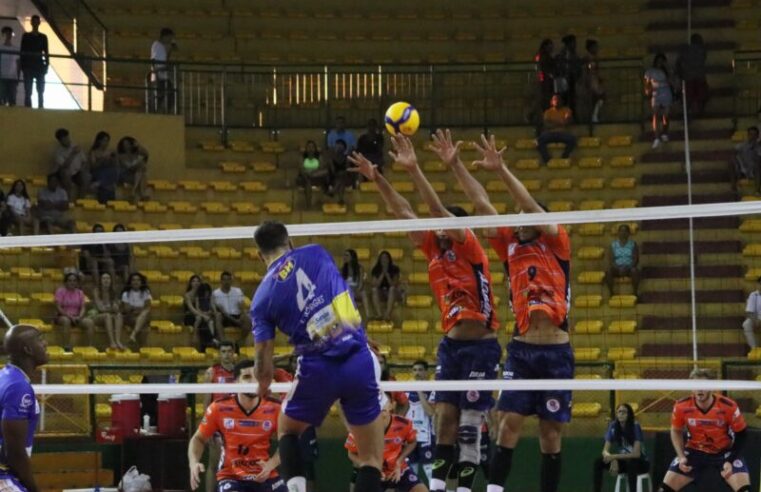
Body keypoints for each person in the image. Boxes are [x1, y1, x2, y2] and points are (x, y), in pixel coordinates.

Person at [349, 135, 501, 492]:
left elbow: (435, 212)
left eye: (445, 224)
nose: (438, 229)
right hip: (451, 346)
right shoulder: (432, 246)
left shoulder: (469, 244)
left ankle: (463, 489)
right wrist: (378, 178)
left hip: (482, 343)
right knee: (444, 421)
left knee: (469, 423)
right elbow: (403, 212)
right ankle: (436, 488)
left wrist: (415, 169)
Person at [431, 130, 573, 492]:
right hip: (523, 348)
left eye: (527, 213)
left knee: (549, 433)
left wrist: (502, 170)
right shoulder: (509, 244)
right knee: (508, 423)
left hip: (556, 350)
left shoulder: (557, 242)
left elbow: (527, 204)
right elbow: (480, 203)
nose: (519, 216)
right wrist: (456, 165)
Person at [250, 220, 385, 492]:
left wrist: (263, 385)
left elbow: (264, 353)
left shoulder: (261, 298)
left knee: (288, 430)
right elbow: (340, 298)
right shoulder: (316, 252)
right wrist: (358, 333)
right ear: (290, 242)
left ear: (259, 254)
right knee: (371, 458)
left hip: (317, 368)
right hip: (357, 359)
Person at [188, 359, 285, 492]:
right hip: (231, 477)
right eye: (246, 377)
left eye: (256, 377)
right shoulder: (219, 408)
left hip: (265, 474)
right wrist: (193, 462)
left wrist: (271, 464)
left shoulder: (275, 408)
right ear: (236, 382)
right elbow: (198, 439)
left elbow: (287, 442)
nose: (253, 382)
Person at [658, 368, 750, 492]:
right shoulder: (681, 406)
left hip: (724, 452)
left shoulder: (728, 406)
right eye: (695, 385)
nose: (699, 389)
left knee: (744, 490)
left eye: (703, 385)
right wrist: (681, 457)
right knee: (665, 489)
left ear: (712, 387)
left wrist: (730, 460)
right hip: (694, 451)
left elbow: (742, 434)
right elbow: (675, 431)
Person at [0, 324, 48, 492]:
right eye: (40, 340)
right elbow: (15, 452)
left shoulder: (6, 376)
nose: (46, 344)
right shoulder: (18, 387)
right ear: (28, 349)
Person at [346, 395, 427, 492]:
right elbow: (351, 453)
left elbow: (412, 442)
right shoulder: (360, 426)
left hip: (398, 470)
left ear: (388, 409)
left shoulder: (403, 424)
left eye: (379, 412)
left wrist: (399, 462)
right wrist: (367, 467)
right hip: (373, 472)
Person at [201, 341, 237, 492]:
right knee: (213, 464)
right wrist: (206, 427)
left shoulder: (240, 373)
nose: (226, 354)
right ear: (219, 354)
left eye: (229, 351)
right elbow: (206, 402)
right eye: (223, 351)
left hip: (236, 424)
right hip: (217, 424)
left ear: (234, 354)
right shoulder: (212, 372)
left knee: (236, 464)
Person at [593, 404, 650, 492]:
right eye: (619, 412)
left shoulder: (635, 426)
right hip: (624, 462)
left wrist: (614, 457)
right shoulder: (613, 426)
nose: (621, 414)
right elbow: (605, 451)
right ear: (616, 414)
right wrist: (613, 459)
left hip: (641, 463)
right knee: (598, 462)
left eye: (624, 412)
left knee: (631, 463)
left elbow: (636, 454)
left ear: (629, 414)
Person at [405, 360, 435, 485]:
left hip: (426, 436)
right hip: (409, 437)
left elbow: (430, 412)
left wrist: (419, 391)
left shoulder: (433, 389)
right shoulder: (404, 389)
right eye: (415, 370)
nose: (417, 373)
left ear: (426, 372)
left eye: (420, 370)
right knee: (411, 474)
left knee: (430, 472)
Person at [54, 272, 95, 350]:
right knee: (66, 321)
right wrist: (70, 317)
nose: (72, 282)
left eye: (74, 280)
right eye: (70, 280)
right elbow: (58, 307)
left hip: (77, 316)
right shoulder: (60, 291)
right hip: (63, 316)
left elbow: (83, 307)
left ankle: (89, 346)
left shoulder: (80, 293)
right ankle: (66, 346)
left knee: (90, 322)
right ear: (66, 282)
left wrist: (80, 316)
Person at [212, 271, 251, 344]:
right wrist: (236, 321)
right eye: (225, 280)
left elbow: (241, 306)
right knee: (218, 317)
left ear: (231, 281)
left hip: (236, 315)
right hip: (225, 317)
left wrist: (243, 314)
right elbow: (220, 311)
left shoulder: (238, 291)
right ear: (221, 281)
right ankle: (223, 342)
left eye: (228, 279)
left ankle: (241, 342)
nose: (227, 282)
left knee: (247, 319)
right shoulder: (216, 293)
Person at [537, 94, 577, 164]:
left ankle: (565, 155)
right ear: (551, 101)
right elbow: (546, 125)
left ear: (561, 101)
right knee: (540, 140)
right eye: (554, 99)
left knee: (573, 139)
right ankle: (547, 159)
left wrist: (553, 123)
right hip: (550, 133)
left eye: (558, 99)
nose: (557, 101)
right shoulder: (548, 112)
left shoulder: (567, 110)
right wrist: (560, 123)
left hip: (563, 133)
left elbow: (567, 122)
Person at [89, 272, 124, 351]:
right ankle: (112, 342)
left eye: (108, 278)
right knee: (107, 315)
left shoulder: (113, 291)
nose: (106, 280)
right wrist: (112, 308)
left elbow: (116, 308)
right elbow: (100, 309)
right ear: (100, 280)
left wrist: (114, 308)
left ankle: (118, 340)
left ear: (111, 280)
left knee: (119, 315)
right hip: (96, 315)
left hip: (109, 314)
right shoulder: (96, 291)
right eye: (104, 278)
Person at [645, 53, 674, 149]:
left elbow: (671, 80)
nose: (660, 63)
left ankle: (665, 132)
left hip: (665, 91)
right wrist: (647, 91)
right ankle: (656, 137)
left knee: (666, 115)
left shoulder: (666, 71)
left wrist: (667, 69)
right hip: (655, 93)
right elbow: (647, 82)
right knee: (655, 115)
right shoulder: (650, 71)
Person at [52, 128, 89, 200]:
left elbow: (84, 161)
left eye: (67, 138)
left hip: (77, 172)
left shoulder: (76, 147)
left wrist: (82, 169)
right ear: (60, 141)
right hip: (65, 173)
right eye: (64, 139)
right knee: (65, 173)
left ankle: (80, 200)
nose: (67, 140)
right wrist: (73, 153)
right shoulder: (59, 152)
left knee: (86, 177)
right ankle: (68, 200)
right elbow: (64, 166)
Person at [19, 15, 48, 108]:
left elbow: (46, 52)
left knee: (39, 90)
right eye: (34, 21)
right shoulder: (28, 36)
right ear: (32, 23)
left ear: (38, 23)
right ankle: (31, 107)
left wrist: (46, 65)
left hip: (37, 65)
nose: (35, 23)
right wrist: (22, 65)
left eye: (36, 21)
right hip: (30, 65)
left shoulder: (42, 37)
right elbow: (22, 52)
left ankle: (39, 106)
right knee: (28, 89)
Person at [677, 33, 708, 118]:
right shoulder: (702, 50)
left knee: (690, 96)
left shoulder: (686, 50)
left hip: (689, 76)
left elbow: (680, 61)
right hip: (699, 76)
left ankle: (691, 111)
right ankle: (697, 111)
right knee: (700, 95)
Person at [184, 275, 218, 352]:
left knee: (204, 323)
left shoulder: (200, 295)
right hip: (189, 316)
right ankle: (210, 340)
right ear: (190, 283)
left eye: (198, 281)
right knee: (201, 319)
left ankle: (205, 347)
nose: (196, 283)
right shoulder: (187, 295)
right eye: (194, 281)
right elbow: (192, 309)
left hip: (200, 317)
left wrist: (206, 314)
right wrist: (203, 315)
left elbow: (208, 306)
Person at [607, 224, 640, 296]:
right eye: (621, 231)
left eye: (625, 231)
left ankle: (635, 292)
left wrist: (627, 268)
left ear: (628, 233)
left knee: (635, 271)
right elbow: (611, 260)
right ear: (618, 233)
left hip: (629, 268)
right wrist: (619, 268)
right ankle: (611, 293)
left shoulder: (633, 244)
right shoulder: (613, 245)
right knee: (609, 272)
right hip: (617, 268)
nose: (623, 233)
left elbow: (635, 259)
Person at [370, 251, 403, 322]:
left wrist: (387, 275)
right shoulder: (376, 269)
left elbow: (394, 284)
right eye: (382, 258)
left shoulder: (395, 269)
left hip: (393, 292)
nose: (384, 260)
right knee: (374, 290)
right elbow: (375, 285)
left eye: (386, 258)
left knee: (392, 289)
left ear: (389, 259)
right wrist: (382, 274)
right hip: (381, 292)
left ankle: (387, 314)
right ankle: (379, 314)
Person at [121, 272, 152, 348]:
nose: (136, 282)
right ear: (130, 282)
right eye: (134, 280)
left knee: (144, 314)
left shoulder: (146, 292)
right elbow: (127, 309)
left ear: (141, 282)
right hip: (130, 317)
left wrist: (134, 308)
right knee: (143, 323)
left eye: (138, 280)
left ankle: (133, 335)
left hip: (143, 317)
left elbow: (147, 307)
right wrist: (138, 309)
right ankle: (139, 344)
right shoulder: (126, 294)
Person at [150, 28, 177, 113]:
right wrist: (156, 73)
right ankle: (159, 112)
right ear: (165, 36)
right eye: (170, 37)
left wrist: (170, 51)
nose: (170, 40)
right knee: (163, 95)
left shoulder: (161, 47)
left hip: (162, 75)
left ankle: (161, 112)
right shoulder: (157, 45)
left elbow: (164, 61)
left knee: (166, 95)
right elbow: (153, 60)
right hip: (159, 75)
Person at [555, 35, 581, 119]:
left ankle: (571, 117)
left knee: (572, 99)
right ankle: (563, 117)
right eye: (573, 42)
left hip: (571, 79)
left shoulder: (574, 54)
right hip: (564, 80)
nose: (575, 44)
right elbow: (562, 67)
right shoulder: (563, 54)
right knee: (565, 99)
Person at [116, 137, 149, 203]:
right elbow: (127, 167)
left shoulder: (136, 153)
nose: (126, 146)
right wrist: (137, 165)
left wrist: (138, 145)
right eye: (124, 144)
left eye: (128, 144)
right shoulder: (120, 156)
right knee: (141, 168)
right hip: (126, 175)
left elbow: (146, 154)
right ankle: (141, 192)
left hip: (136, 175)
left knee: (142, 172)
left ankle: (135, 191)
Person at [298, 140, 330, 209]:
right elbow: (301, 169)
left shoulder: (319, 157)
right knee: (307, 180)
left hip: (317, 177)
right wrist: (308, 173)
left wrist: (312, 172)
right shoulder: (302, 157)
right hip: (305, 178)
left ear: (315, 148)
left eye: (312, 147)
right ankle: (308, 206)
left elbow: (321, 168)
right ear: (306, 148)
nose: (311, 149)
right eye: (309, 147)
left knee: (326, 172)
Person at [729, 126, 761, 194]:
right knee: (731, 162)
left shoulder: (759, 147)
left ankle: (757, 190)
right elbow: (733, 152)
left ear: (757, 136)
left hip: (755, 169)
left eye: (754, 135)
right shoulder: (742, 145)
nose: (752, 136)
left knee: (757, 165)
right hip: (743, 169)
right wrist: (736, 162)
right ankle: (734, 187)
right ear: (748, 135)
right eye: (750, 134)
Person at [89, 131, 118, 204]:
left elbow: (115, 166)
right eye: (104, 140)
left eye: (107, 141)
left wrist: (113, 159)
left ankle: (100, 183)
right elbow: (93, 167)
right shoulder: (93, 152)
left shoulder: (109, 152)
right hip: (98, 172)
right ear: (99, 141)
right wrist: (102, 159)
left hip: (108, 174)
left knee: (114, 172)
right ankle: (101, 183)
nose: (106, 143)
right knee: (108, 185)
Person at [342, 249, 371, 321]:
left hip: (356, 290)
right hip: (347, 291)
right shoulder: (343, 269)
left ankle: (368, 315)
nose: (345, 257)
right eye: (344, 255)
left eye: (347, 255)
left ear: (352, 257)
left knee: (363, 292)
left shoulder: (360, 268)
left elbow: (361, 284)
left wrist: (356, 290)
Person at [582, 39, 605, 124]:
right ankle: (593, 116)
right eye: (595, 47)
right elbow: (588, 70)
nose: (596, 49)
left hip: (595, 80)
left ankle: (594, 115)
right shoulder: (588, 58)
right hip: (591, 80)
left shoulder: (594, 57)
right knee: (596, 97)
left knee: (599, 97)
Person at [328, 139, 353, 205]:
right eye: (337, 145)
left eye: (340, 146)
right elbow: (333, 171)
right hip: (335, 178)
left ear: (344, 148)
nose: (338, 147)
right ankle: (341, 199)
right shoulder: (331, 158)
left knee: (342, 176)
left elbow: (348, 170)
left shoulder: (347, 158)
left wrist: (342, 173)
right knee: (341, 180)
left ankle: (333, 191)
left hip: (346, 178)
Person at [535, 39, 556, 112]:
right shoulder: (542, 57)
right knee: (544, 100)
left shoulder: (548, 57)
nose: (551, 48)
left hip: (548, 81)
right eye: (549, 46)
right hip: (544, 82)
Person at [0, 26, 19, 106]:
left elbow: (18, 64)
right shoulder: (0, 48)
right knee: (1, 99)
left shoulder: (16, 49)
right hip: (2, 77)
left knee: (12, 100)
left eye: (10, 34)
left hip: (12, 77)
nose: (8, 35)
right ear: (3, 35)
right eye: (7, 34)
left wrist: (18, 76)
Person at [742, 276, 761, 350]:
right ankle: (754, 349)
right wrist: (755, 321)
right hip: (755, 318)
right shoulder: (753, 295)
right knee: (746, 324)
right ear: (758, 284)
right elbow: (749, 312)